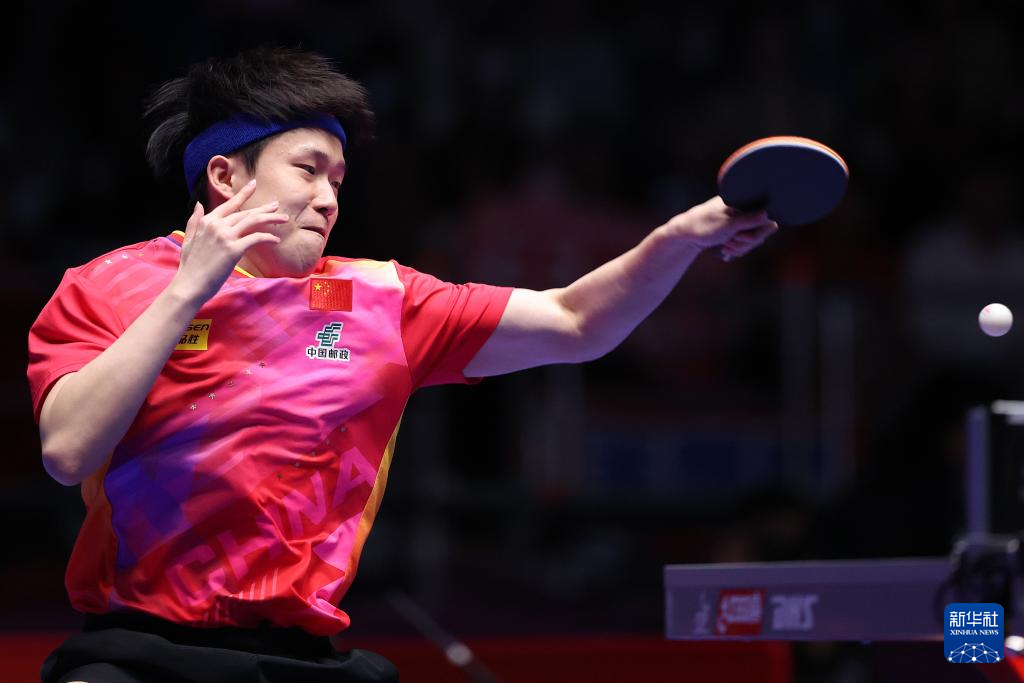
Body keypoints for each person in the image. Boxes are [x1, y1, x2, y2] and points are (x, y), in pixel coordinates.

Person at [27, 46, 777, 683]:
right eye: (308, 170)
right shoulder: (108, 286)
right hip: (138, 651)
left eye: (338, 180)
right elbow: (67, 451)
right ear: (227, 177)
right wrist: (189, 290)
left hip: (303, 659)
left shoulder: (383, 300)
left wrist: (680, 240)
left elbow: (575, 322)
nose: (328, 199)